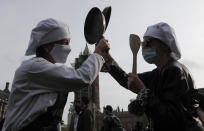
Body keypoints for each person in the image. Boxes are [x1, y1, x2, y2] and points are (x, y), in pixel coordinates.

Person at [2, 18, 110, 131]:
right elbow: (82, 78)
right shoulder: (34, 67)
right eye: (65, 43)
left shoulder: (48, 70)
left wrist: (104, 58)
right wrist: (98, 53)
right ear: (47, 46)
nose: (68, 48)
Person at [107, 22, 203, 131]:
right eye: (142, 43)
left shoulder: (175, 71)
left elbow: (171, 118)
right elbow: (128, 80)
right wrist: (108, 59)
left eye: (147, 43)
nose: (142, 47)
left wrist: (142, 92)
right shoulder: (157, 73)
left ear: (165, 46)